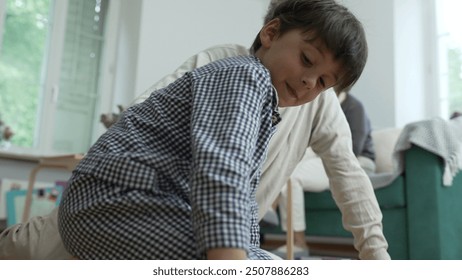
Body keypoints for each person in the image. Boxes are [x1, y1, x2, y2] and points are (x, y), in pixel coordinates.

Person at [0, 0, 390, 260]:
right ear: (270, 33)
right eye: (306, 60)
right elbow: (221, 170)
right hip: (133, 202)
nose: (309, 83)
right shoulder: (240, 73)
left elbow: (350, 177)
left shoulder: (310, 102)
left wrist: (378, 259)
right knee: (26, 248)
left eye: (324, 81)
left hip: (193, 220)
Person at [271, 88, 376, 258]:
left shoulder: (354, 107)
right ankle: (274, 213)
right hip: (322, 157)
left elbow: (351, 152)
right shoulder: (315, 106)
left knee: (293, 177)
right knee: (290, 165)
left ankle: (297, 241)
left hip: (359, 161)